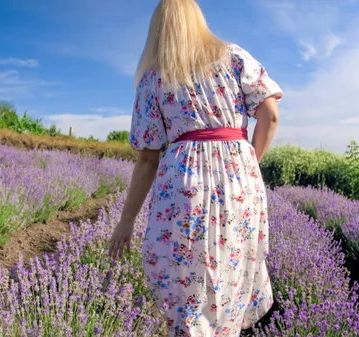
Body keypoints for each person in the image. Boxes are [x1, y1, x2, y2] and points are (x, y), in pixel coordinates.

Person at [108, 0, 283, 335]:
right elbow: (270, 115)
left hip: (182, 182)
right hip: (239, 177)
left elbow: (147, 158)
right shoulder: (233, 56)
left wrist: (126, 221)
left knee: (185, 280)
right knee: (232, 274)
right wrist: (247, 168)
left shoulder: (155, 77)